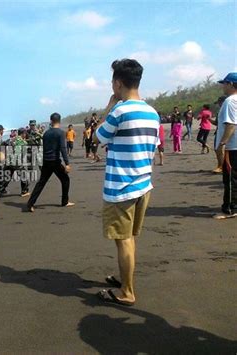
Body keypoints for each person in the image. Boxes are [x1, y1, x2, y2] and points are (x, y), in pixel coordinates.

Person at [94, 59, 160, 306]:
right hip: (143, 184)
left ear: (118, 83)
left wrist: (109, 108)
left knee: (124, 241)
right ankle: (124, 281)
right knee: (129, 238)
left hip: (121, 188)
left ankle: (127, 291)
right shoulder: (152, 112)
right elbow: (152, 147)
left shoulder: (120, 111)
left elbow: (98, 138)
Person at [26, 112, 74, 212]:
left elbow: (44, 148)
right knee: (65, 179)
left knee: (41, 183)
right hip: (55, 162)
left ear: (51, 121)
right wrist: (67, 164)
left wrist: (43, 162)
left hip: (46, 161)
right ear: (59, 121)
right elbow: (63, 148)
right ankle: (65, 202)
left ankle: (30, 203)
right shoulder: (60, 132)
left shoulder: (46, 133)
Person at [213, 72, 237, 220]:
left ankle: (230, 208)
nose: (223, 86)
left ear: (231, 84)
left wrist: (222, 143)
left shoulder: (230, 101)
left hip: (232, 147)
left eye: (225, 83)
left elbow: (231, 125)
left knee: (230, 179)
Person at [0, 127, 30, 197]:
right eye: (25, 133)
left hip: (9, 161)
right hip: (17, 162)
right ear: (23, 134)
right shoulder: (24, 142)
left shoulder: (11, 139)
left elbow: (3, 143)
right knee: (24, 177)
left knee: (7, 178)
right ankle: (24, 192)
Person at [211, 96, 227, 173]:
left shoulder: (227, 109)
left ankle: (221, 167)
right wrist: (209, 119)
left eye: (219, 103)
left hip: (224, 132)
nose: (218, 105)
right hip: (219, 131)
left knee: (220, 149)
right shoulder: (219, 111)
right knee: (218, 149)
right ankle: (220, 166)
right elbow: (216, 123)